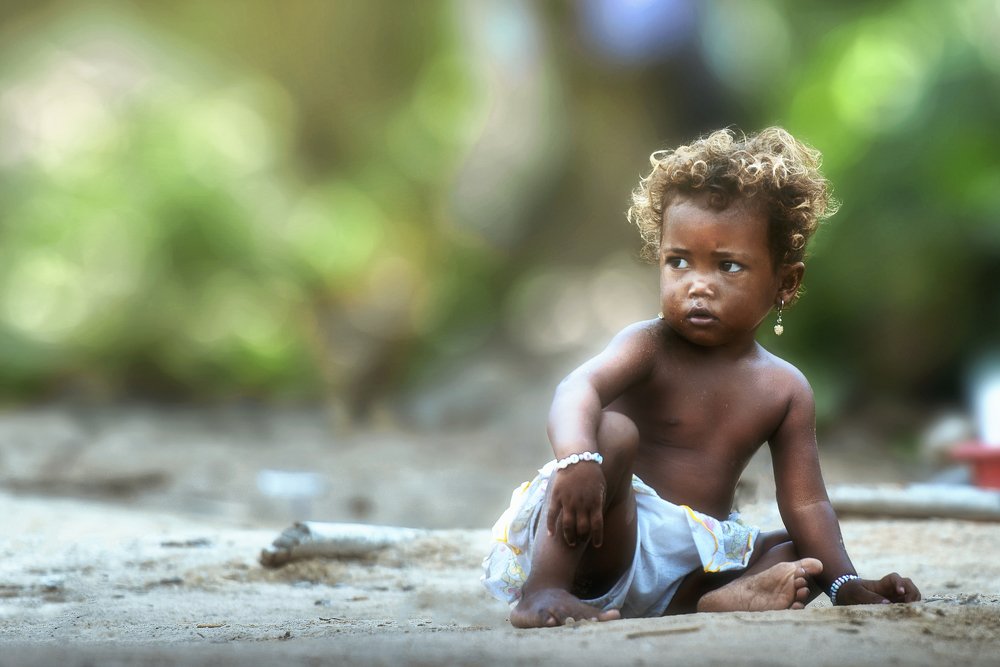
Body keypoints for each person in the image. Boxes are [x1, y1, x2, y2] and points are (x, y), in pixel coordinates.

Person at [481, 127, 921, 628]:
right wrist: (578, 458)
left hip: (689, 562)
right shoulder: (647, 345)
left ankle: (710, 600)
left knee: (801, 550)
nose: (698, 286)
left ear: (785, 282)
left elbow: (808, 500)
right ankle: (544, 591)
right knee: (612, 431)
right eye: (679, 262)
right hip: (602, 535)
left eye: (728, 266)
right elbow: (575, 389)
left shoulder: (784, 388)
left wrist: (845, 585)